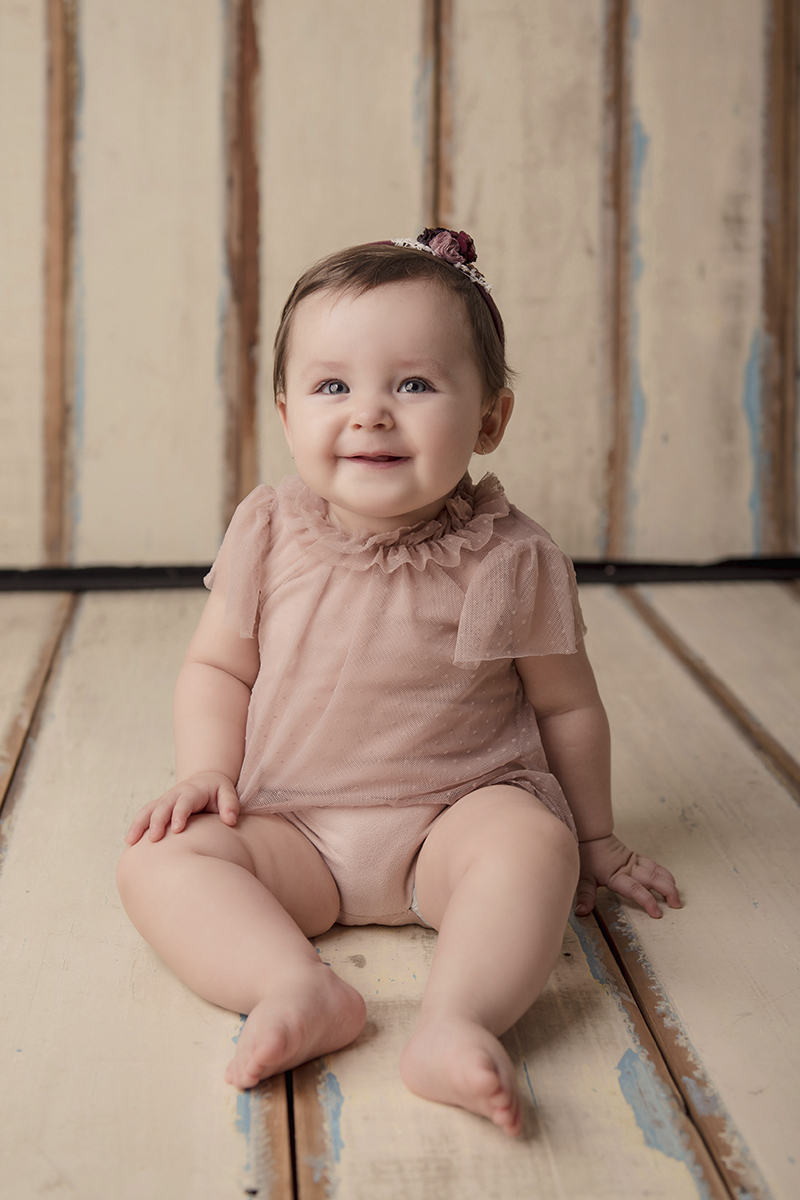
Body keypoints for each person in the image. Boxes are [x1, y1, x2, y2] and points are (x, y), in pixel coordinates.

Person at [117, 230, 681, 1138]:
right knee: (156, 859)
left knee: (533, 848)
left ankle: (455, 1023)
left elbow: (566, 703)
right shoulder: (268, 530)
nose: (371, 413)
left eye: (413, 384)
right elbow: (218, 666)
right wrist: (204, 769)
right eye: (333, 385)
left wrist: (597, 837)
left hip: (450, 822)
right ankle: (293, 988)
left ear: (491, 420)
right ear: (287, 411)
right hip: (294, 824)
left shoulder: (509, 556)